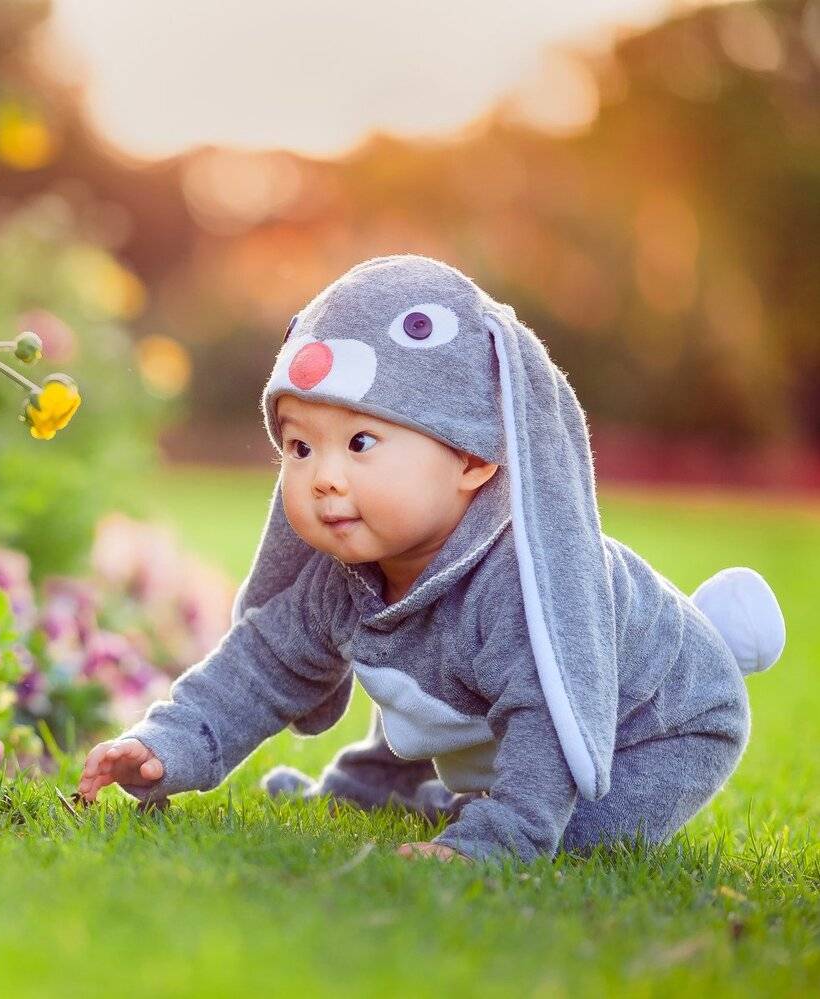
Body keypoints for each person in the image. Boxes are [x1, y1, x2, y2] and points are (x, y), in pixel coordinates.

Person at [76, 254, 786, 862]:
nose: (323, 475)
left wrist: (495, 839)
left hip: (658, 719)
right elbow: (261, 665)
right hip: (484, 699)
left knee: (575, 835)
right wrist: (169, 742)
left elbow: (545, 720)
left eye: (359, 443)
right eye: (299, 446)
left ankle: (468, 812)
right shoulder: (340, 578)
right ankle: (381, 789)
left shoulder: (517, 586)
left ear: (474, 456)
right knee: (422, 661)